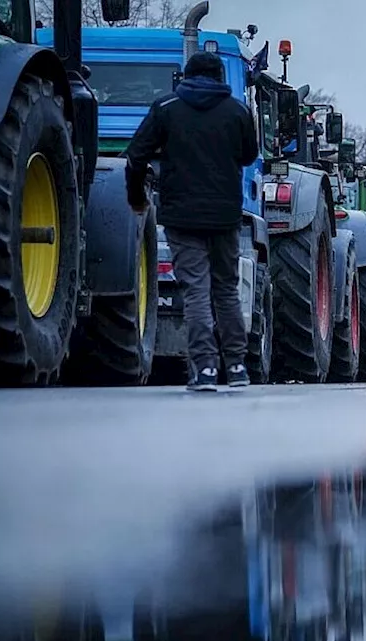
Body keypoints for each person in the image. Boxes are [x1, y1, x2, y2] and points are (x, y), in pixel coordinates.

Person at [126, 52, 258, 391]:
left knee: (196, 291)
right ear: (219, 77)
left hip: (181, 216)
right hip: (226, 215)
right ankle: (238, 367)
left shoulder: (167, 108)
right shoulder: (238, 111)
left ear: (186, 75)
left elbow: (136, 156)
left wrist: (136, 197)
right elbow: (248, 155)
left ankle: (206, 370)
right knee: (226, 289)